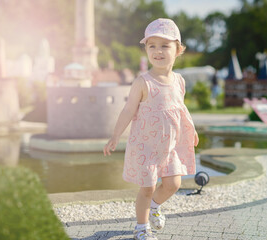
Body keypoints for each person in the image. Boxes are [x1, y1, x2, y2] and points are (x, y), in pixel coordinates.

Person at [103, 18, 199, 240]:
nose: (158, 51)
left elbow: (180, 108)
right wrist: (115, 135)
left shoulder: (179, 81)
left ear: (178, 50)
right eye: (151, 45)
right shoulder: (143, 82)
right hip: (146, 146)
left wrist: (190, 129)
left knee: (174, 184)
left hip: (170, 146)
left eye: (165, 45)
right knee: (147, 188)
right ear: (146, 49)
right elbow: (128, 110)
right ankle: (141, 228)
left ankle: (155, 206)